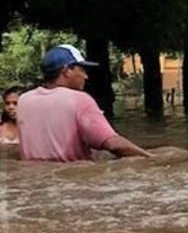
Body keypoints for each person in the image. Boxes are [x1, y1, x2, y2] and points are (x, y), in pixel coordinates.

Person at [17, 45, 151, 162]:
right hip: (71, 181)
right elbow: (114, 144)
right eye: (82, 70)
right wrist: (153, 158)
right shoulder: (79, 99)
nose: (86, 76)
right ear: (67, 70)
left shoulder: (24, 100)